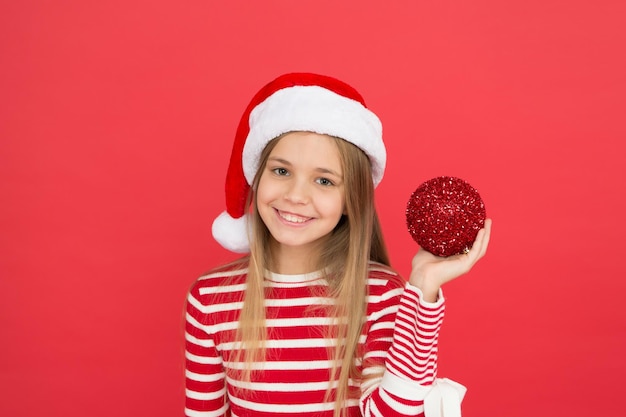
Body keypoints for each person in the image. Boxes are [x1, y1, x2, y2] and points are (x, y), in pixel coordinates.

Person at [184, 72, 492, 417]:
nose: (296, 196)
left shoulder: (381, 294)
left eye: (324, 180)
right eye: (281, 171)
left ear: (350, 200)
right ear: (256, 177)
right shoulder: (210, 301)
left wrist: (423, 287)